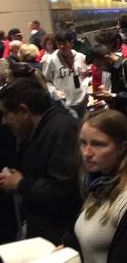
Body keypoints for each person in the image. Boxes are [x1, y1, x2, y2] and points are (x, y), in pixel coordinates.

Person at [0, 78, 82, 244]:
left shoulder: (62, 130)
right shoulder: (35, 131)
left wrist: (21, 184)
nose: (4, 121)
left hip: (60, 238)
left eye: (6, 114)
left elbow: (65, 191)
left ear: (23, 111)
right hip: (44, 232)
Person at [67, 110, 127, 263]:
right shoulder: (96, 182)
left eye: (97, 144)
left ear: (122, 148)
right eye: (83, 143)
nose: (86, 153)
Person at [90, 44, 127, 130]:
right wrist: (107, 97)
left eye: (99, 65)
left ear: (107, 58)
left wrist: (112, 95)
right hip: (124, 119)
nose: (100, 69)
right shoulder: (115, 69)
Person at [43, 31, 90, 117]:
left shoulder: (81, 57)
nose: (61, 46)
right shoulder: (51, 60)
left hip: (82, 101)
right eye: (58, 44)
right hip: (64, 103)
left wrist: (85, 88)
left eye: (64, 43)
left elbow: (88, 75)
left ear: (71, 43)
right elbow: (46, 81)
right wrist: (54, 92)